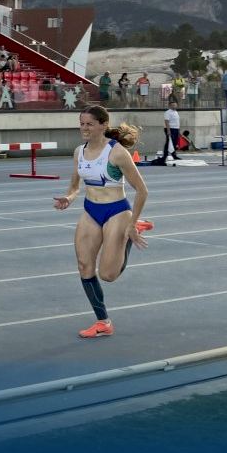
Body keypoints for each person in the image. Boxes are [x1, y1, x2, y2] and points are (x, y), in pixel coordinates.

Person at [53, 106, 149, 338]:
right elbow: (75, 186)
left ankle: (131, 231)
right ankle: (103, 322)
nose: (84, 128)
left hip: (117, 212)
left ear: (103, 125)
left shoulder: (116, 153)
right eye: (82, 124)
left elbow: (142, 191)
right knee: (84, 266)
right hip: (91, 211)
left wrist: (131, 223)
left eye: (89, 124)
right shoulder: (79, 152)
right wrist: (69, 198)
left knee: (108, 275)